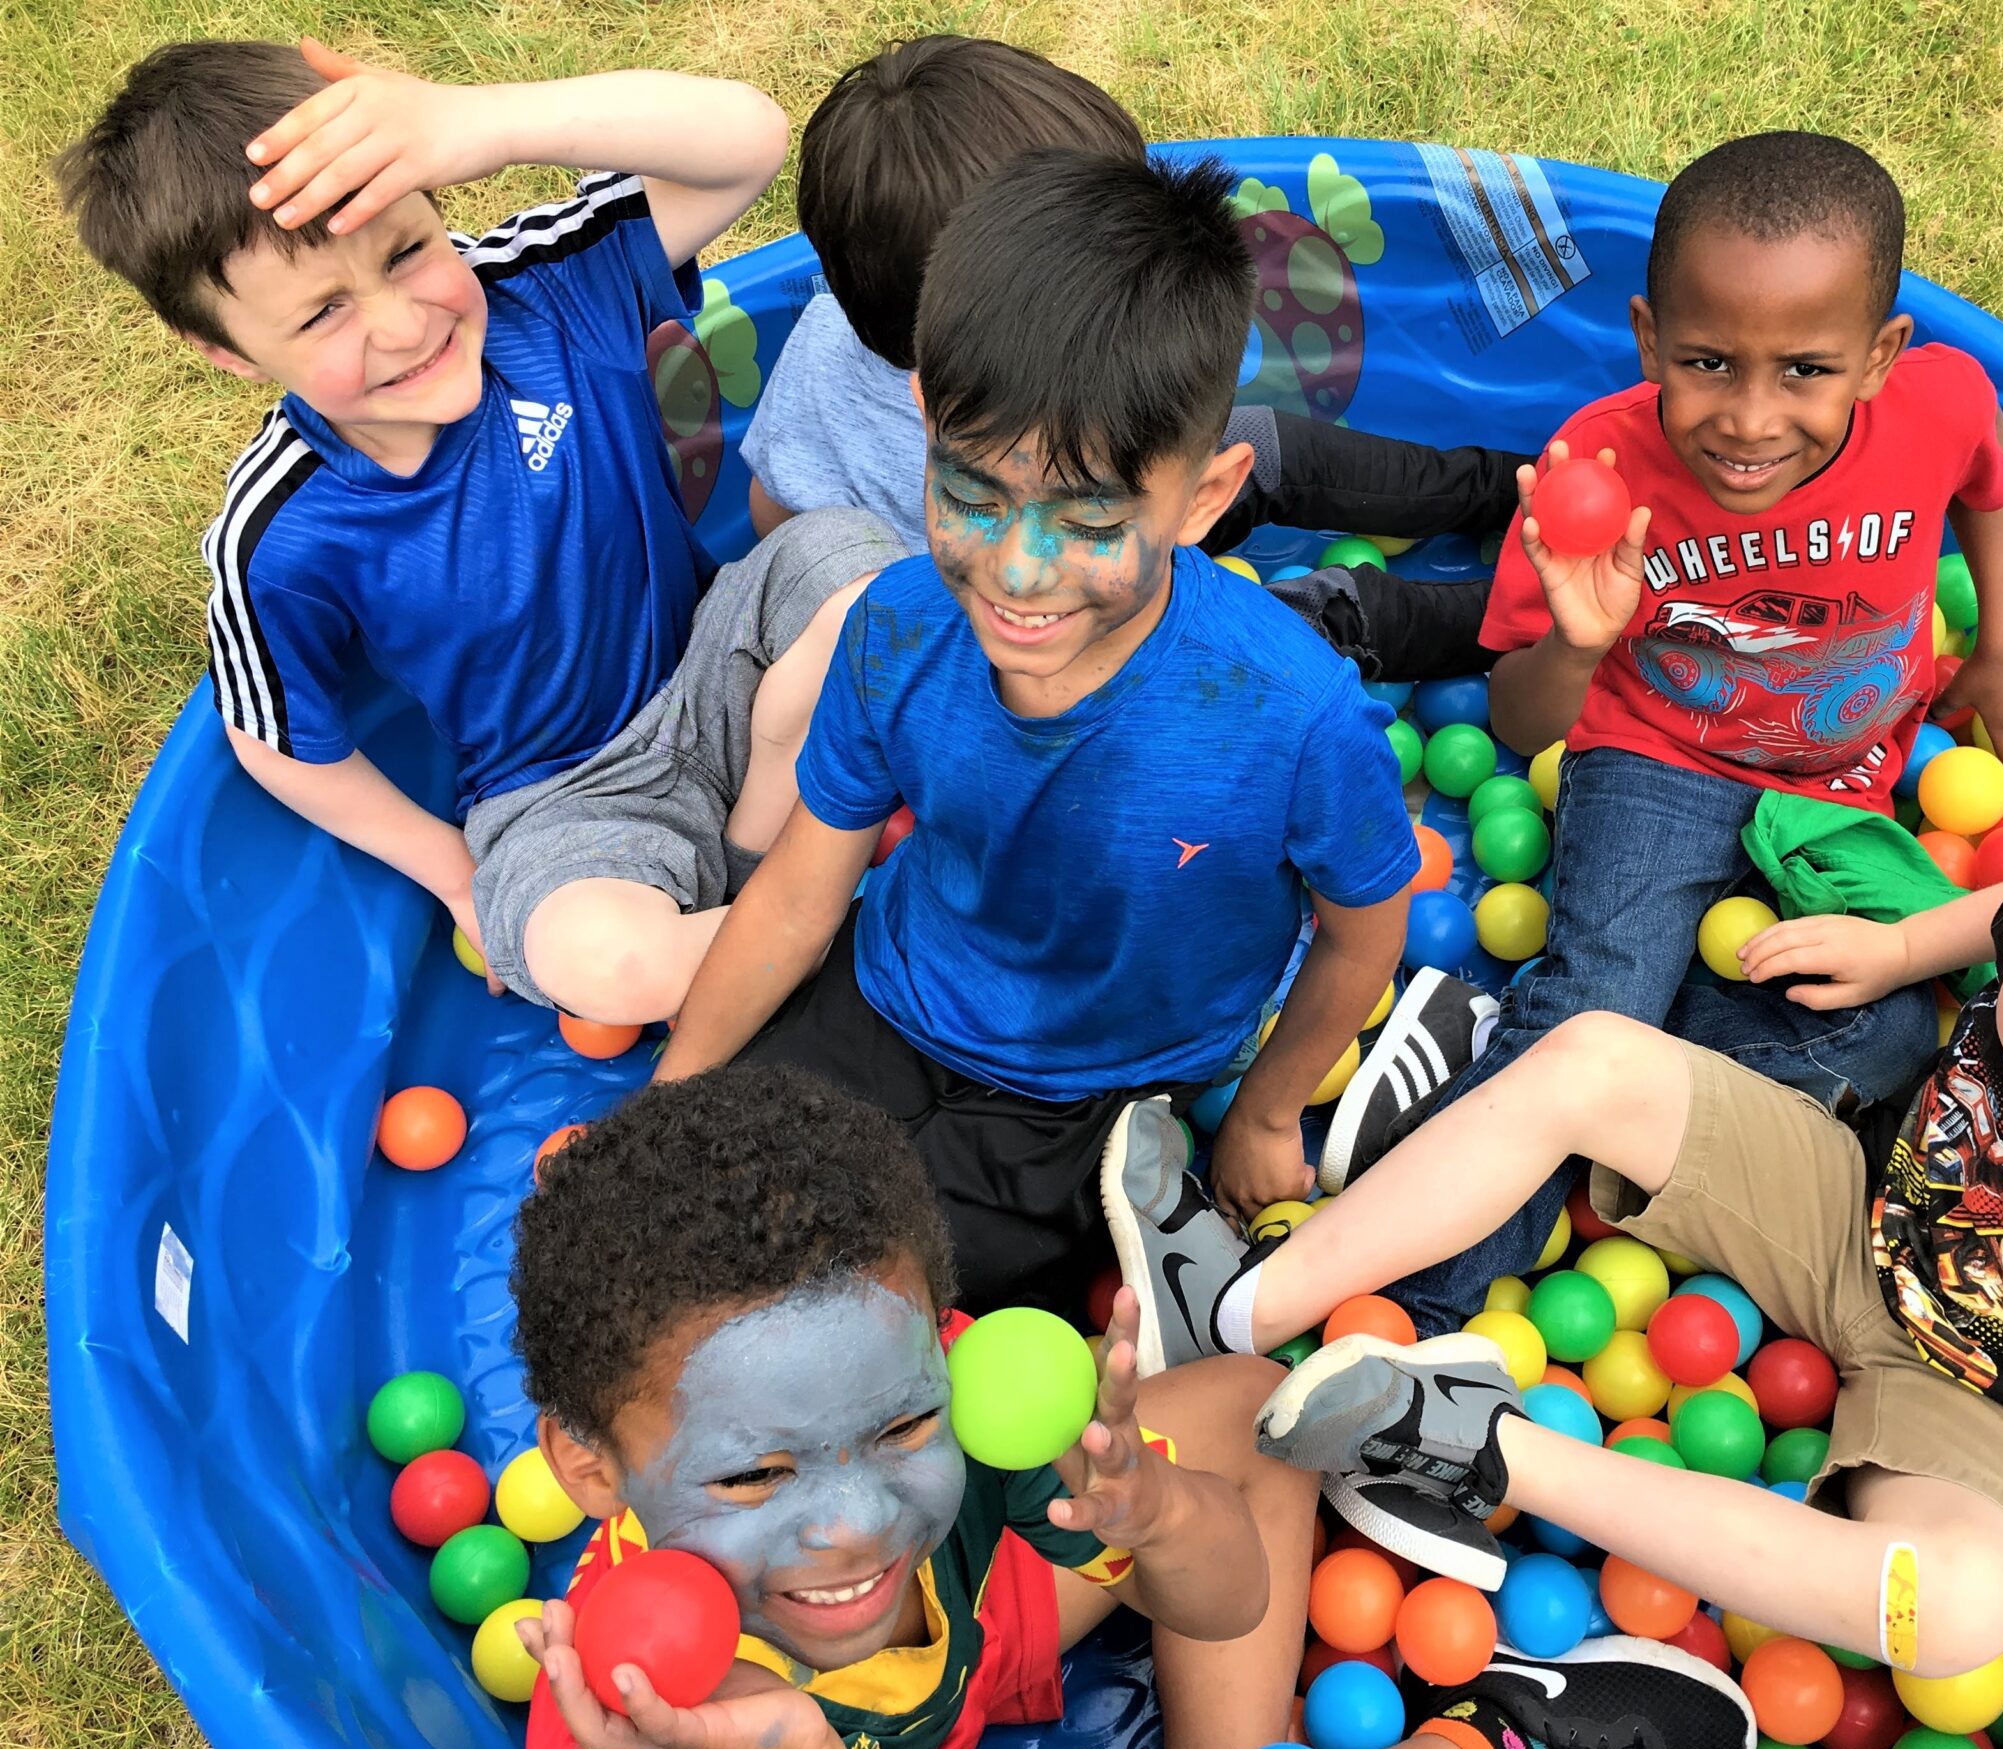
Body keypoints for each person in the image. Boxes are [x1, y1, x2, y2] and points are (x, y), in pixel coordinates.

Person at [1110, 710, 2003, 1656]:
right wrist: (1901, 947)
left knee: (1962, 1610)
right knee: (1597, 1055)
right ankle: (1241, 1298)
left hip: (1995, 1414)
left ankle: (1461, 1442)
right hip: (1855, 1215)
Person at [513, 1066, 1754, 1749]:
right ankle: (1490, 1746)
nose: (854, 1521)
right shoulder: (626, 1732)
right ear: (587, 1466)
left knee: (1248, 1411)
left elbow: (1222, 1600)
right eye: (753, 1473)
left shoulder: (950, 1410)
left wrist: (1157, 1511)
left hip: (978, 1627)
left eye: (900, 1423)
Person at [1317, 133, 2003, 1331]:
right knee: (1598, 997)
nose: (1750, 418)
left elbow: (1987, 470)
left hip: (1840, 789)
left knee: (1884, 1037)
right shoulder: (1598, 465)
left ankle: (1554, 1085)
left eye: (1805, 371)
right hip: (1655, 760)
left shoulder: (1937, 403)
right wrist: (1577, 642)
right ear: (1648, 338)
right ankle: (1411, 1311)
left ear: (1879, 359)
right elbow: (1516, 719)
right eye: (1708, 362)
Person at [653, 151, 1416, 1313]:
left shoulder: (1291, 712)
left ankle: (1155, 1228)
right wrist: (672, 1095)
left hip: (1098, 1082)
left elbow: (1363, 930)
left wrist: (1265, 1113)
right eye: (973, 494)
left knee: (897, 1306)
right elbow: (801, 894)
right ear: (925, 418)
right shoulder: (896, 628)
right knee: (705, 1209)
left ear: (1204, 499)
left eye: (1090, 522)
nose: (1018, 572)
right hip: (889, 991)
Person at [55, 39, 904, 1023]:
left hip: (726, 659)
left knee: (863, 574)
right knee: (606, 963)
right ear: (228, 351)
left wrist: (483, 123)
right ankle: (862, 921)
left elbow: (749, 141)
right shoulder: (283, 527)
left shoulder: (547, 288)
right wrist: (451, 868)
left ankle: (765, 872)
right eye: (325, 312)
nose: (402, 323)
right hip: (566, 801)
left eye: (407, 250)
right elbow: (271, 733)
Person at [741, 34, 1515, 680]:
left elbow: (772, 510)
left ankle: (1502, 489)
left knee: (1254, 450)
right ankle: (1519, 614)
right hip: (1046, 664)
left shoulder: (827, 327)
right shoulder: (1025, 430)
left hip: (1084, 546)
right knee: (1298, 624)